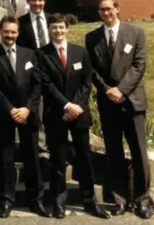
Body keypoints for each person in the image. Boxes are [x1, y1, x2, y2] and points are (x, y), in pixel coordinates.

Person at [37, 15, 110, 219]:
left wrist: (76, 106)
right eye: (54, 28)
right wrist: (66, 105)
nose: (58, 31)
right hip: (56, 114)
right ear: (49, 29)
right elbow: (46, 84)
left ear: (67, 29)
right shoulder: (42, 54)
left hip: (79, 114)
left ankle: (90, 202)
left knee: (84, 159)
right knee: (58, 161)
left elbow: (86, 82)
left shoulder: (80, 52)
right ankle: (59, 202)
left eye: (61, 27)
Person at [86, 0, 152, 219]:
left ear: (117, 9)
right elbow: (92, 70)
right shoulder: (92, 37)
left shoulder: (135, 33)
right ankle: (120, 198)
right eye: (102, 10)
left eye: (109, 9)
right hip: (108, 102)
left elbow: (139, 65)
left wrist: (121, 90)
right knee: (113, 151)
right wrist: (107, 90)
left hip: (132, 100)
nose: (106, 13)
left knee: (139, 152)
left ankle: (142, 199)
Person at [0, 17, 48, 218]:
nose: (10, 35)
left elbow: (38, 84)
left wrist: (27, 108)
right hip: (3, 114)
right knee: (5, 159)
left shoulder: (30, 54)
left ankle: (35, 200)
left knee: (32, 158)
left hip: (27, 114)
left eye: (13, 32)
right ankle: (5, 200)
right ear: (0, 31)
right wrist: (10, 109)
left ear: (18, 33)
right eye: (6, 32)